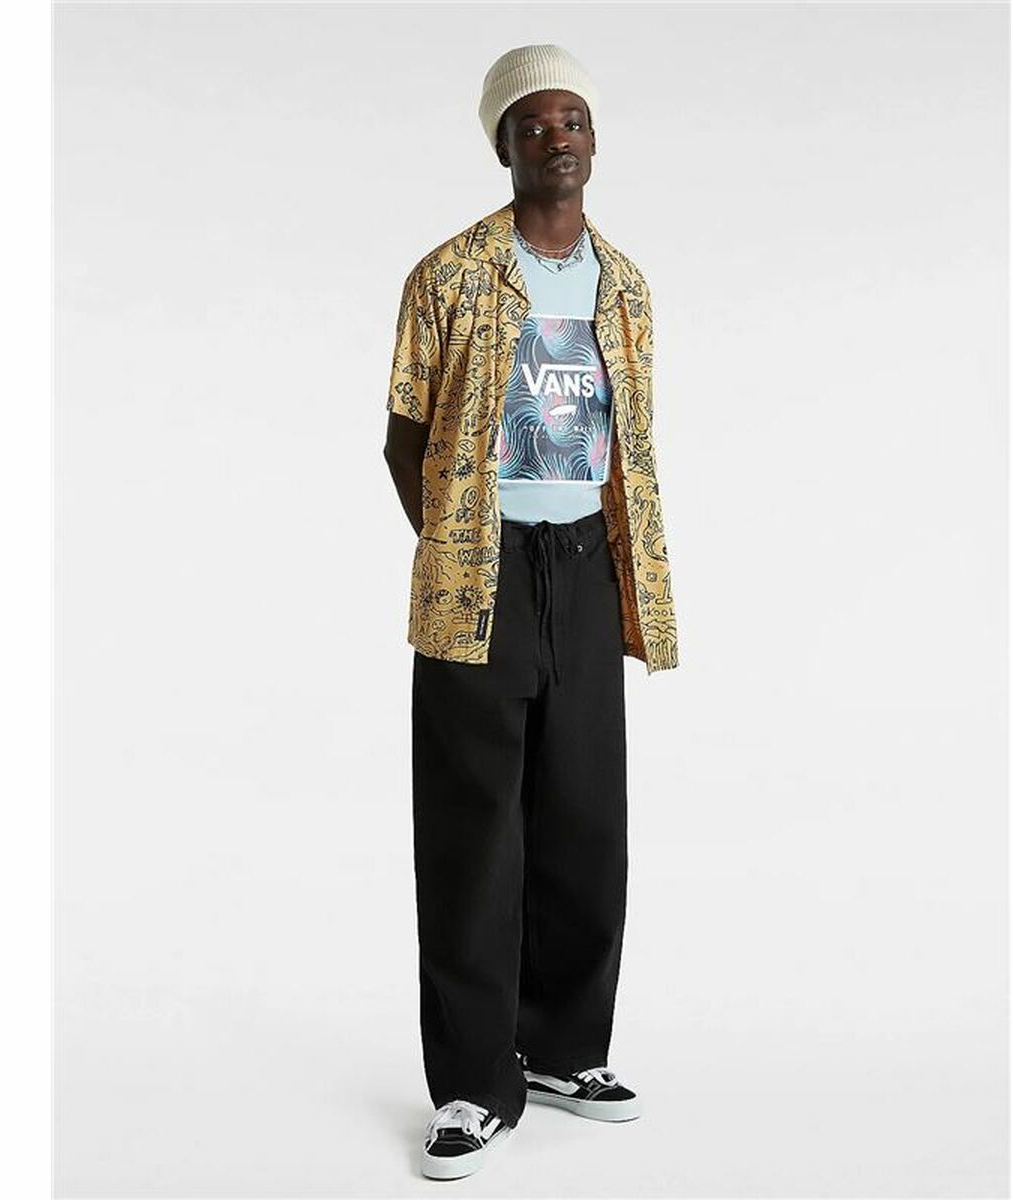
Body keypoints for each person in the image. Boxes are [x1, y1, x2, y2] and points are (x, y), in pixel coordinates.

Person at [382, 43, 679, 1180]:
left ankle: (563, 1051)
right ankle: (471, 1081)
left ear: (595, 142)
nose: (558, 138)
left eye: (574, 120)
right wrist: (463, 543)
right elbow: (404, 436)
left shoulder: (627, 286)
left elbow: (628, 441)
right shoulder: (451, 276)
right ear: (503, 144)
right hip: (482, 572)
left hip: (590, 568)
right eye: (535, 123)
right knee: (474, 833)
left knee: (586, 818)